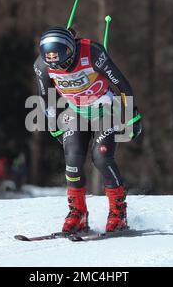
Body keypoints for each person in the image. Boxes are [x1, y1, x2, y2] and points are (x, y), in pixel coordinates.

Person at [33, 26, 142, 233]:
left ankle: (118, 213)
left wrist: (132, 116)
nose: (61, 69)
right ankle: (78, 213)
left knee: (101, 158)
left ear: (71, 51)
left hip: (106, 109)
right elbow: (46, 99)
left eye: (63, 63)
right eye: (54, 65)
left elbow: (122, 85)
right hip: (77, 112)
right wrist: (54, 125)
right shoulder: (42, 66)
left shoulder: (92, 53)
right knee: (72, 160)